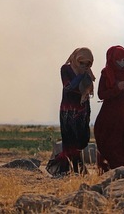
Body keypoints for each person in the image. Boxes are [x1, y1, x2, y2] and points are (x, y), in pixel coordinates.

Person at [47, 47, 95, 176]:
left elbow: (87, 94)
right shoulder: (66, 69)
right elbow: (68, 87)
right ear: (75, 59)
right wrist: (81, 76)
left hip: (82, 112)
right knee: (70, 143)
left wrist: (87, 112)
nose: (84, 66)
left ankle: (75, 169)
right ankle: (69, 170)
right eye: (81, 62)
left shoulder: (88, 74)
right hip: (68, 111)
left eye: (88, 64)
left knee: (82, 140)